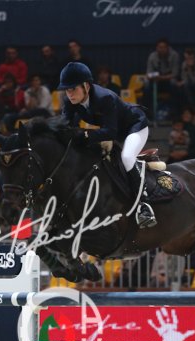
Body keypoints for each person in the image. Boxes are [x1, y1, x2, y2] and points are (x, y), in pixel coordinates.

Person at [58, 62, 155, 228]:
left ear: (86, 86)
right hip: (113, 132)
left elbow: (110, 132)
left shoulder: (105, 98)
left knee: (127, 157)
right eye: (67, 90)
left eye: (73, 89)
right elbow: (65, 127)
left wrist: (84, 134)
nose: (70, 94)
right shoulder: (70, 102)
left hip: (134, 126)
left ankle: (145, 205)